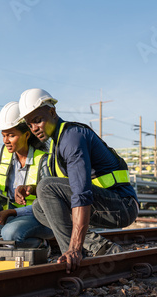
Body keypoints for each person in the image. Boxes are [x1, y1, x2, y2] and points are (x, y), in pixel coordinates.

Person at [15, 88, 139, 273]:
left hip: (122, 205)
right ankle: (100, 248)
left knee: (46, 187)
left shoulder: (72, 138)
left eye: (37, 120)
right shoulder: (56, 143)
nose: (34, 128)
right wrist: (32, 190)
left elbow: (81, 194)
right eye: (29, 124)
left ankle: (72, 256)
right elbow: (65, 187)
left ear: (52, 112)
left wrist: (74, 247)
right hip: (106, 204)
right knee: (39, 207)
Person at [0, 101, 54, 248]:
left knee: (10, 232)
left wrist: (12, 212)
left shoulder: (43, 159)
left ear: (27, 134)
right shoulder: (4, 153)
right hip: (12, 214)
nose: (6, 141)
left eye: (11, 135)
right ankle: (6, 241)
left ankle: (39, 245)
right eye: (3, 135)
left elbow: (47, 204)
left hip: (40, 217)